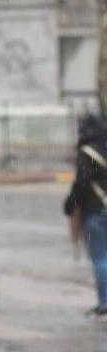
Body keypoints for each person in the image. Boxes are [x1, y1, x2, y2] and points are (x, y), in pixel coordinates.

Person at [64, 114, 107, 318]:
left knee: (101, 258)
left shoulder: (87, 153)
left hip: (96, 209)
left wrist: (70, 204)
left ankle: (105, 303)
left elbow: (81, 183)